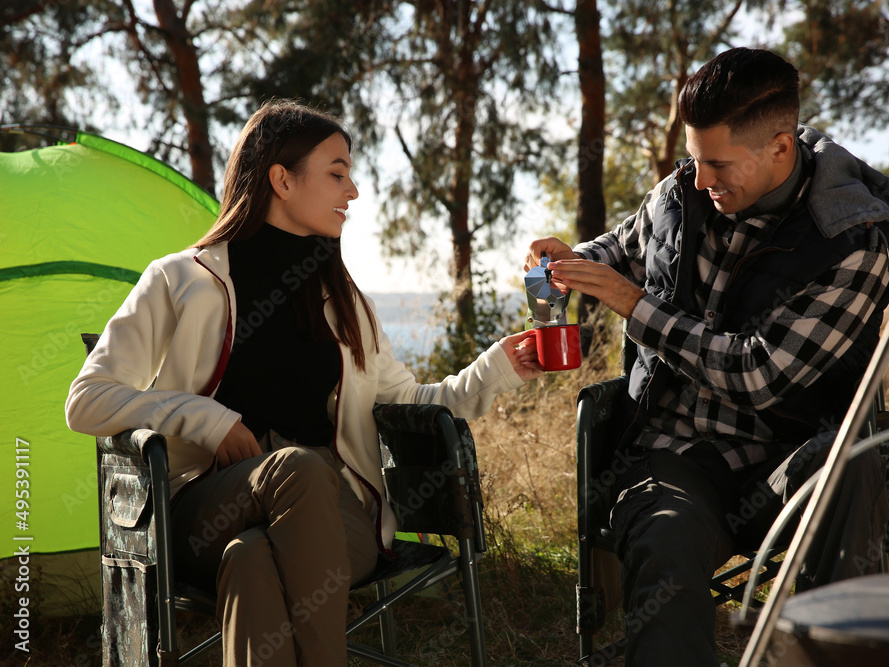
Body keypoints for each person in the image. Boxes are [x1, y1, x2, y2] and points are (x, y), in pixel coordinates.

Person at [66, 98, 543, 666]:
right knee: (293, 472)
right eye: (337, 173)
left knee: (251, 558)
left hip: (336, 512)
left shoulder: (344, 301)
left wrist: (499, 365)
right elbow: (86, 402)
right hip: (210, 503)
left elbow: (409, 403)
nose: (354, 191)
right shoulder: (179, 280)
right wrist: (208, 420)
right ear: (281, 180)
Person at [525, 47, 889, 665]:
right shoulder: (681, 195)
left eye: (716, 163)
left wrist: (633, 305)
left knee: (849, 471)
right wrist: (569, 265)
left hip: (791, 459)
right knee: (667, 536)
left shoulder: (855, 245)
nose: (700, 178)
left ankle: (828, 651)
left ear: (781, 149)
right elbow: (619, 250)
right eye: (695, 158)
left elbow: (758, 374)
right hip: (675, 457)